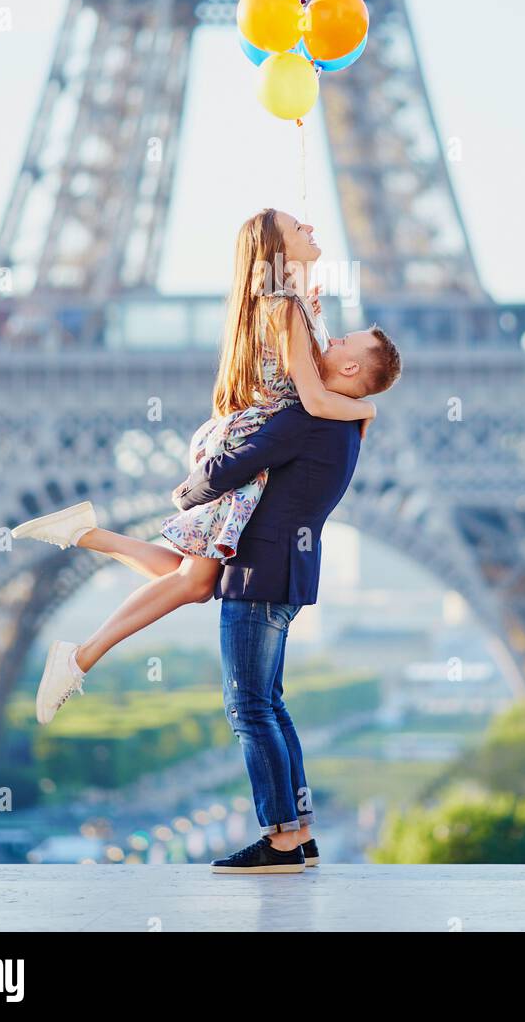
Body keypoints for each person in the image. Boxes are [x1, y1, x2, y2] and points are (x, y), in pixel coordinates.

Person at [11, 208, 399, 728]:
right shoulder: (284, 306)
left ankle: (84, 536)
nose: (310, 228)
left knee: (197, 579)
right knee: (196, 581)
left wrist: (311, 308)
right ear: (279, 249)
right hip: (250, 441)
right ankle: (80, 655)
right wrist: (366, 408)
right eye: (297, 228)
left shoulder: (291, 303)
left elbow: (303, 361)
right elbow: (313, 398)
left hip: (245, 432)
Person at [175, 343, 401, 873]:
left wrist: (188, 493)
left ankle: (279, 842)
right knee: (270, 706)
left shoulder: (308, 419)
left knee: (248, 708)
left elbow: (242, 459)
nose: (331, 343)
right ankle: (298, 832)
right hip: (287, 574)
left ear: (350, 368)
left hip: (258, 574)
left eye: (343, 342)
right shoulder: (344, 425)